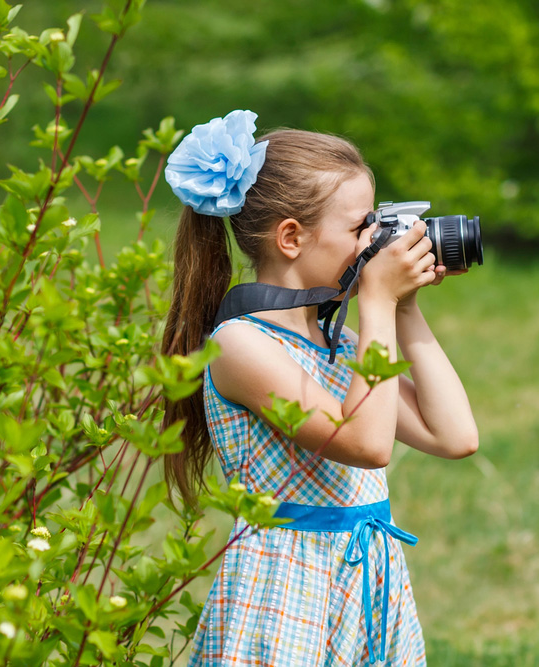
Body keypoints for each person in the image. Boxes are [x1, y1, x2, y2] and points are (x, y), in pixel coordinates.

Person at [160, 110, 478, 666]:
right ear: (290, 237)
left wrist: (404, 309)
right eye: (361, 228)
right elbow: (366, 445)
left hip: (366, 586)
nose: (375, 243)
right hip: (287, 591)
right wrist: (376, 302)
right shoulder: (240, 345)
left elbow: (454, 436)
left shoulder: (344, 344)